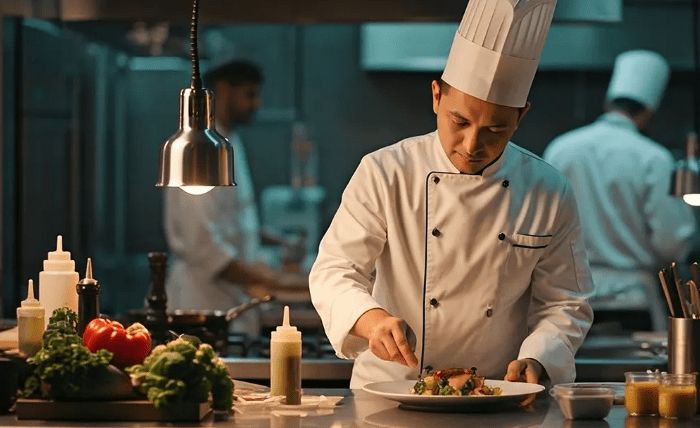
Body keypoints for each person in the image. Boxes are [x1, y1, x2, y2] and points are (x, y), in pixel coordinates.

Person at [309, 0, 593, 392]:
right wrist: (371, 319)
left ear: (521, 117)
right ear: (436, 97)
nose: (473, 144)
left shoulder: (548, 190)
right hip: (390, 392)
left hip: (496, 391)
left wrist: (538, 357)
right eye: (459, 121)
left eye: (495, 129)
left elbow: (566, 301)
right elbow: (334, 271)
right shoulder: (385, 171)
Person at [544, 50, 696, 332]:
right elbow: (672, 242)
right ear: (649, 111)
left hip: (569, 299)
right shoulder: (653, 158)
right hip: (632, 299)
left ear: (608, 102)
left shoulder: (561, 149)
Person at [164, 60, 303, 336]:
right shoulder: (197, 151)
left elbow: (234, 220)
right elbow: (202, 244)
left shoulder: (228, 143)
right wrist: (274, 281)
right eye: (250, 95)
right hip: (201, 306)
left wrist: (279, 241)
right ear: (224, 91)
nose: (257, 104)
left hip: (230, 302)